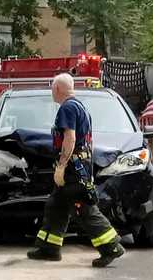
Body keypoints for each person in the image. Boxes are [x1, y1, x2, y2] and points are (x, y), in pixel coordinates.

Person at [27, 73, 125, 268]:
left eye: (52, 89)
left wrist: (62, 166)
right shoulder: (80, 107)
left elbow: (70, 138)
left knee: (83, 209)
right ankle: (49, 248)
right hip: (78, 167)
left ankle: (111, 246)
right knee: (56, 206)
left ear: (57, 89)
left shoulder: (68, 108)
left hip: (72, 169)